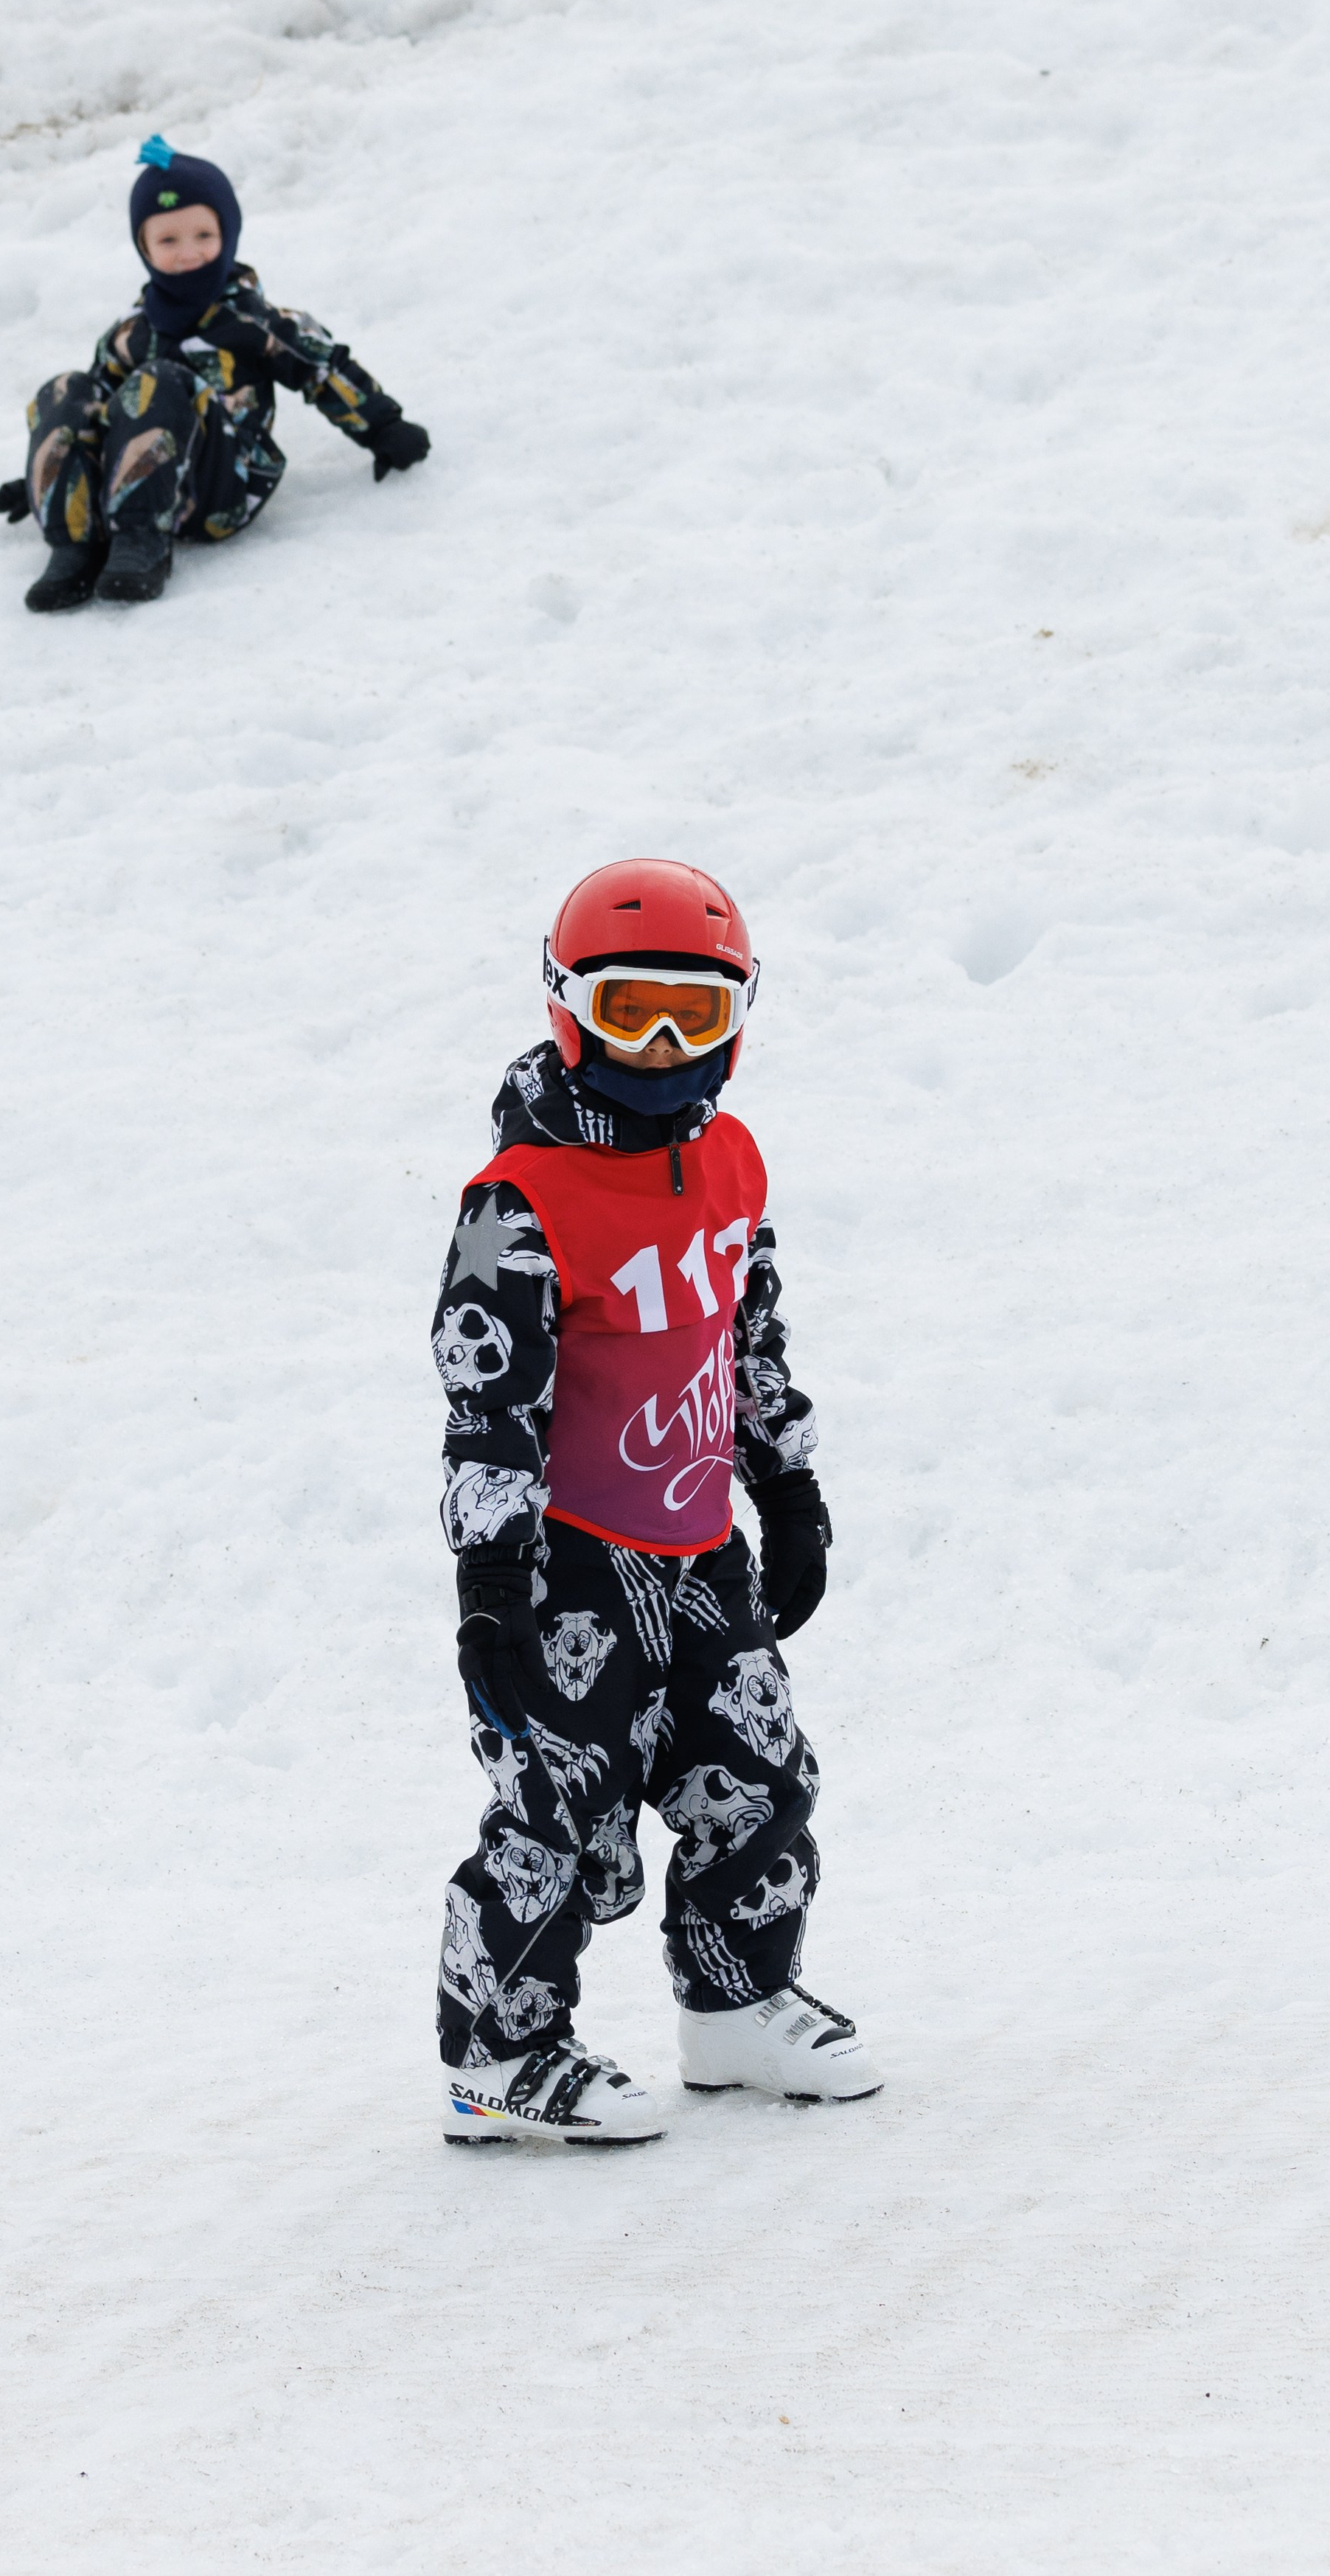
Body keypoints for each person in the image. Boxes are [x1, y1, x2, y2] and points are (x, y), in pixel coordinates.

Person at [431, 858, 878, 2147]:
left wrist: (786, 1485)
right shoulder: (516, 1198)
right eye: (631, 1010)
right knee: (554, 1808)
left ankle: (734, 2003)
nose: (665, 1044)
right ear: (568, 1005)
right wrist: (488, 1584)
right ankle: (496, 2058)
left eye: (695, 1009)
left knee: (754, 1774)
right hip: (568, 1560)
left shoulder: (730, 1158)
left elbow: (752, 1336)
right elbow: (486, 1407)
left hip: (700, 1550)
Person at [0, 136, 429, 611]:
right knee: (67, 387)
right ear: (145, 248)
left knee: (162, 380)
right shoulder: (132, 331)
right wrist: (47, 473)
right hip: (135, 485)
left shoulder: (252, 321)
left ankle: (143, 545)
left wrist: (384, 427)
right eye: (168, 240)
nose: (188, 253)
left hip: (222, 489)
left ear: (228, 234)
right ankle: (74, 544)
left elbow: (322, 370)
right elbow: (97, 412)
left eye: (203, 235)